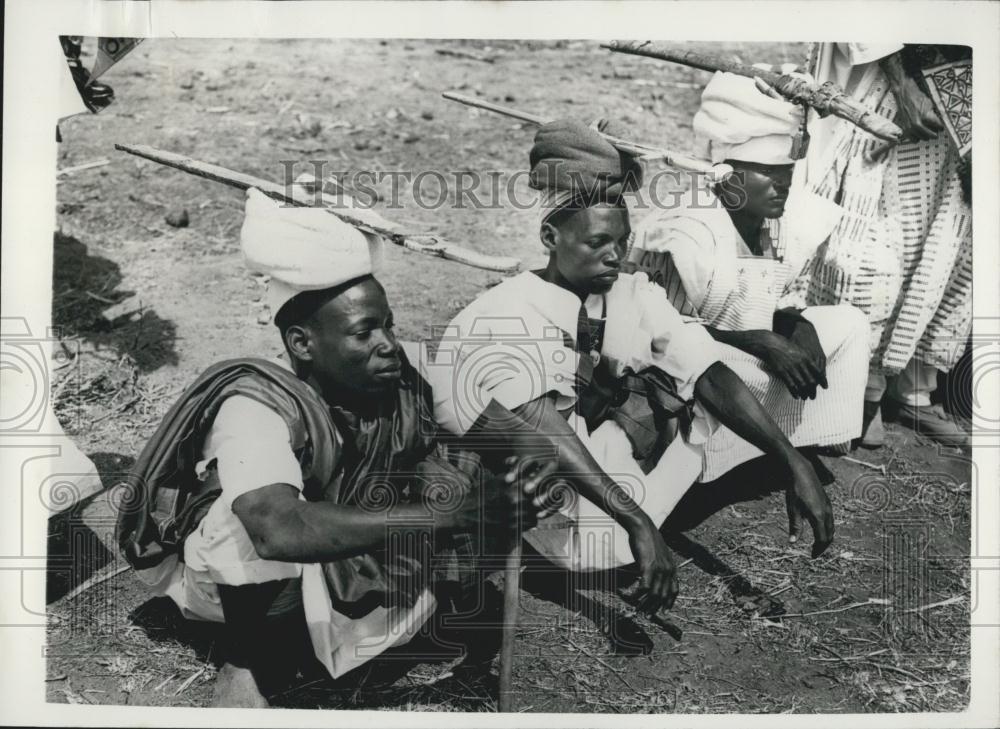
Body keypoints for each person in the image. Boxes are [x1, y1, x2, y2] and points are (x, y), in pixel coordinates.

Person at [116, 188, 552, 707]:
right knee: (242, 526)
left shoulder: (407, 369)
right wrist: (455, 516)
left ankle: (357, 630)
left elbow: (519, 433)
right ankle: (252, 663)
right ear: (302, 344)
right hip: (238, 589)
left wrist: (529, 473)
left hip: (358, 568)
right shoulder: (258, 405)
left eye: (387, 324)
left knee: (462, 460)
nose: (387, 342)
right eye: (364, 332)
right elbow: (277, 529)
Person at [424, 120, 835, 617]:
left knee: (691, 402)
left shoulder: (626, 291)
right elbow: (543, 429)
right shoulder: (506, 313)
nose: (614, 256)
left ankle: (608, 515)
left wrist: (790, 460)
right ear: (550, 236)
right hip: (500, 466)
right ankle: (543, 537)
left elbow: (707, 368)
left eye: (622, 242)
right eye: (596, 243)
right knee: (605, 546)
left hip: (573, 448)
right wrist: (639, 522)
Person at [627, 69, 870, 481]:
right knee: (708, 367)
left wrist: (796, 324)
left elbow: (762, 305)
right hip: (695, 365)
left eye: (787, 174)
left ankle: (789, 443)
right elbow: (659, 335)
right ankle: (720, 462)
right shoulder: (688, 231)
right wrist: (759, 341)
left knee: (847, 323)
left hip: (742, 353)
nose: (783, 185)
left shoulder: (778, 223)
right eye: (769, 173)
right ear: (726, 174)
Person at [785, 44, 972, 448]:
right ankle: (857, 393)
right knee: (880, 236)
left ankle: (914, 391)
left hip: (973, 92)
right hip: (901, 85)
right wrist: (905, 86)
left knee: (952, 240)